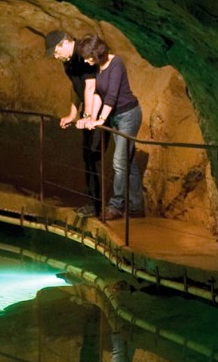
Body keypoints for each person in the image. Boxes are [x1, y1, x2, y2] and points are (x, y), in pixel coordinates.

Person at [75, 34, 145, 220]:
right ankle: (136, 207)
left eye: (88, 57)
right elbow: (98, 94)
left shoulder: (116, 64)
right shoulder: (99, 67)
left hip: (129, 115)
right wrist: (92, 117)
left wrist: (101, 119)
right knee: (128, 161)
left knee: (119, 161)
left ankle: (116, 206)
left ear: (96, 53)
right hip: (115, 118)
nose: (87, 61)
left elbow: (112, 96)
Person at [44, 30, 100, 217]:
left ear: (65, 43)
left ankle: (97, 205)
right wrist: (73, 114)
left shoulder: (85, 52)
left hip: (99, 111)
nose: (55, 56)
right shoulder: (67, 62)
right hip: (88, 113)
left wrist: (88, 116)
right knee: (87, 155)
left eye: (56, 51)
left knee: (94, 155)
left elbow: (91, 87)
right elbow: (76, 88)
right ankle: (92, 202)